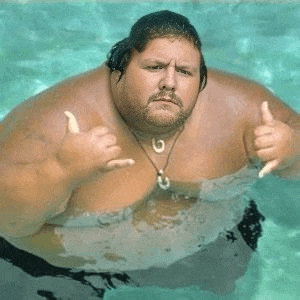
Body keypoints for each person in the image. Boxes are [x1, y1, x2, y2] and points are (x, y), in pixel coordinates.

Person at [0, 10, 299, 298]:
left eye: (184, 72)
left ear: (201, 78)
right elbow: (7, 220)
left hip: (208, 248)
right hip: (53, 272)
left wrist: (291, 150)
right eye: (155, 67)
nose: (169, 82)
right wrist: (59, 171)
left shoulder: (243, 108)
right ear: (121, 65)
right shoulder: (51, 123)